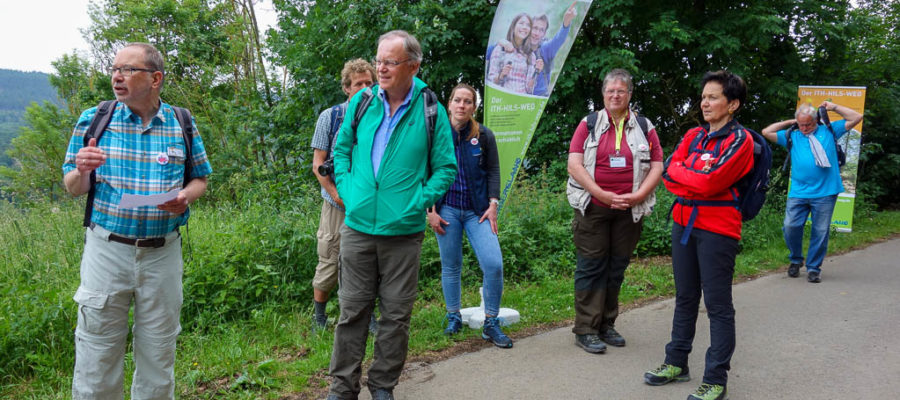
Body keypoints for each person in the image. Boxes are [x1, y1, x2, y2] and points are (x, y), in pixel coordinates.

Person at [62, 42, 212, 399]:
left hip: (162, 254)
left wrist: (185, 198)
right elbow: (72, 186)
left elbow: (201, 178)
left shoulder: (181, 122)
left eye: (129, 70)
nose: (117, 76)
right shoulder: (95, 119)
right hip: (107, 250)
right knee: (97, 354)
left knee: (159, 353)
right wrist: (82, 170)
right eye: (115, 69)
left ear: (155, 78)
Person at [327, 30, 457, 400]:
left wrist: (418, 201)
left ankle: (383, 385)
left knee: (396, 318)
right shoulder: (363, 101)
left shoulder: (430, 107)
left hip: (404, 232)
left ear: (412, 66)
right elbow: (342, 151)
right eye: (379, 59)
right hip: (358, 227)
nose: (380, 68)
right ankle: (342, 388)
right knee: (352, 313)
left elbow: (445, 167)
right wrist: (351, 193)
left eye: (389, 62)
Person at [644, 71, 755, 400]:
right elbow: (669, 172)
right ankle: (677, 362)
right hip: (684, 223)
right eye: (704, 96)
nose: (705, 103)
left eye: (714, 97)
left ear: (732, 104)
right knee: (685, 296)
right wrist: (694, 174)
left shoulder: (740, 141)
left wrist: (690, 174)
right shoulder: (694, 135)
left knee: (718, 305)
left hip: (718, 229)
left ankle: (716, 379)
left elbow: (709, 182)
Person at [566, 69, 663, 354]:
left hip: (629, 210)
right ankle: (585, 329)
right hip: (593, 207)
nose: (615, 95)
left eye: (621, 91)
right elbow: (574, 164)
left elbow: (658, 165)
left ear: (630, 94)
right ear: (603, 94)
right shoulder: (589, 123)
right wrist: (602, 194)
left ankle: (607, 324)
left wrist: (640, 195)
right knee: (591, 266)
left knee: (616, 267)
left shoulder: (645, 126)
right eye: (611, 91)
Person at [427, 83, 512, 348]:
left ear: (474, 107)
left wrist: (493, 203)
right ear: (449, 104)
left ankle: (491, 323)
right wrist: (430, 210)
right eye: (457, 100)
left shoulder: (484, 135)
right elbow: (425, 172)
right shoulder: (435, 134)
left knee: (494, 264)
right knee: (451, 265)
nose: (462, 106)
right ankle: (453, 316)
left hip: (478, 211)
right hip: (447, 209)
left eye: (467, 102)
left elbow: (494, 171)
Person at [761, 101, 862, 283]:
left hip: (826, 191)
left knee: (820, 231)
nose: (805, 128)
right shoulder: (793, 135)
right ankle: (796, 259)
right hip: (798, 191)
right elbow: (766, 132)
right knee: (790, 226)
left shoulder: (830, 130)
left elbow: (856, 117)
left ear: (816, 121)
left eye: (808, 124)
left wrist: (834, 108)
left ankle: (814, 268)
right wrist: (791, 122)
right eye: (802, 124)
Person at [310, 58, 375, 330]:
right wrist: (337, 195)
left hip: (369, 204)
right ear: (347, 88)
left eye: (369, 83)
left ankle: (368, 318)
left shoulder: (381, 116)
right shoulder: (331, 116)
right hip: (336, 204)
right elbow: (318, 165)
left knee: (368, 263)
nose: (364, 88)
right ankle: (319, 318)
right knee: (329, 259)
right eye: (358, 83)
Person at [487, 3, 577, 96]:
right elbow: (489, 53)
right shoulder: (514, 47)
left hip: (537, 99)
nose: (537, 33)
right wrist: (501, 42)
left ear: (544, 33)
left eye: (541, 30)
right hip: (512, 97)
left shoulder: (545, 49)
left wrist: (566, 23)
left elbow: (558, 39)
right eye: (534, 28)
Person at [487, 13, 537, 94]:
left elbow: (529, 89)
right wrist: (501, 75)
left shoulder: (531, 55)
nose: (524, 27)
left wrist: (536, 74)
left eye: (528, 25)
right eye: (521, 23)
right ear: (513, 26)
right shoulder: (500, 49)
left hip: (521, 102)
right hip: (501, 99)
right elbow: (491, 80)